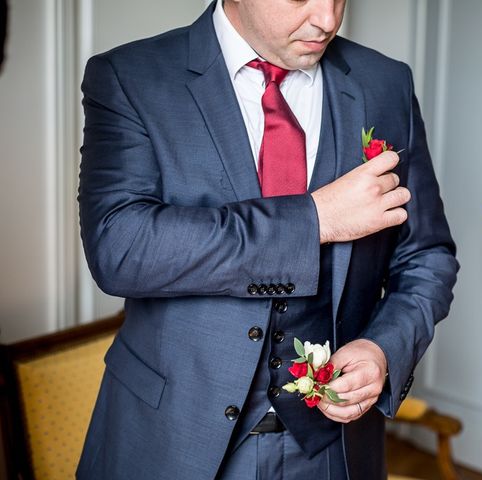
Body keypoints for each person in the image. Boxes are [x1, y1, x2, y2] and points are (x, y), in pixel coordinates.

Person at [76, 1, 458, 479]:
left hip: (332, 451)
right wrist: (315, 220)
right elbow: (121, 248)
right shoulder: (132, 76)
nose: (327, 19)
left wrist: (383, 348)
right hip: (171, 438)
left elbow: (427, 257)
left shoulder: (384, 82)